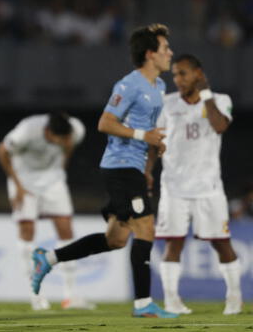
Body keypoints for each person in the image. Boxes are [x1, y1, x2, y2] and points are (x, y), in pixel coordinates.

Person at [30, 23, 178, 318]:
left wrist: (149, 164)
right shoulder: (129, 85)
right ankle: (143, 304)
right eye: (164, 49)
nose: (170, 53)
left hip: (135, 168)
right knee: (146, 228)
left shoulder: (159, 87)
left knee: (116, 239)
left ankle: (48, 258)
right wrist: (142, 137)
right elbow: (105, 123)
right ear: (150, 54)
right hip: (119, 166)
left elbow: (148, 133)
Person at [151, 54, 242, 315]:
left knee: (221, 243)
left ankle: (234, 298)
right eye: (175, 75)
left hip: (208, 187)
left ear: (198, 74)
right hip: (174, 186)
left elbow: (220, 126)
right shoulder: (166, 104)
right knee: (173, 244)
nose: (177, 79)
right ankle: (171, 300)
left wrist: (206, 96)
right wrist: (147, 172)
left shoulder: (220, 100)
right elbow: (154, 142)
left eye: (183, 74)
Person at [0, 111, 94, 311]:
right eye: (59, 140)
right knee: (27, 232)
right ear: (48, 132)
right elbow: (1, 151)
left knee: (66, 230)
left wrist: (62, 168)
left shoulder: (76, 130)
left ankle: (70, 296)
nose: (63, 142)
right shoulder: (27, 131)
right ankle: (36, 296)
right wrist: (18, 186)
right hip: (24, 180)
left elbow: (69, 148)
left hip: (53, 180)